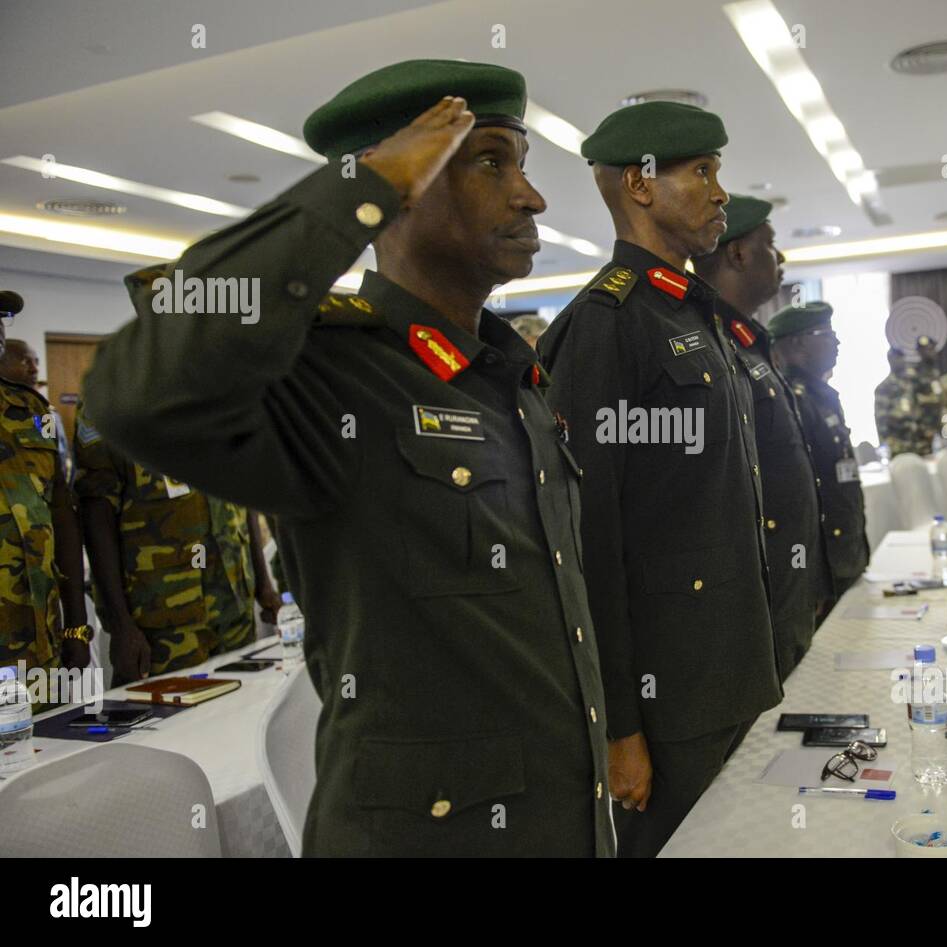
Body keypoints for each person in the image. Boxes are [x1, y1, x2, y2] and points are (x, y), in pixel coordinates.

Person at [80, 61, 612, 857]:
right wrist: (358, 188)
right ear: (405, 188)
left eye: (525, 166)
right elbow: (138, 392)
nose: (530, 196)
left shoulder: (512, 379)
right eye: (491, 162)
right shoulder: (328, 371)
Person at [537, 100, 779, 858]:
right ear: (640, 187)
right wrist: (619, 725)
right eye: (701, 171)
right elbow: (589, 536)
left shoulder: (689, 312)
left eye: (718, 170)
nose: (718, 192)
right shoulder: (607, 324)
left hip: (730, 661)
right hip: (667, 693)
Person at [690, 195, 831, 681]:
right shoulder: (706, 342)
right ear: (738, 255)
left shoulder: (749, 342)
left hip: (786, 584)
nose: (782, 257)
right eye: (770, 245)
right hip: (748, 596)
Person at [75, 403, 280, 682]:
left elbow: (243, 492)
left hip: (234, 612)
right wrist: (121, 625)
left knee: (241, 717)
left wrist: (264, 585)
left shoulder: (220, 386)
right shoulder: (113, 394)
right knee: (170, 721)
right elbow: (96, 511)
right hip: (161, 623)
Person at [0, 291, 90, 706]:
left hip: (39, 644)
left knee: (45, 760)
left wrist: (76, 627)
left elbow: (62, 512)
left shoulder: (35, 413)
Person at [771, 302, 870, 601]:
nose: (837, 341)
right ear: (799, 341)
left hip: (843, 552)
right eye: (827, 333)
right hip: (819, 563)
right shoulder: (791, 399)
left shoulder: (823, 395)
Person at [0, 337, 73, 482]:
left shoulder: (44, 412)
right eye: (25, 361)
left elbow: (57, 456)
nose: (34, 369)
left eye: (36, 361)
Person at [874, 347, 926, 457]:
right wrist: (888, 445)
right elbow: (881, 421)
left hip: (921, 444)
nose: (900, 361)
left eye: (902, 358)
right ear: (890, 360)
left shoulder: (913, 383)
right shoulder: (884, 388)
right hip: (899, 446)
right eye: (896, 358)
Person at [913, 334, 945, 451]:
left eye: (932, 349)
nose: (931, 352)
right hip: (925, 425)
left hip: (945, 420)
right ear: (919, 352)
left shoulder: (939, 369)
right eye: (927, 349)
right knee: (926, 456)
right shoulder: (914, 374)